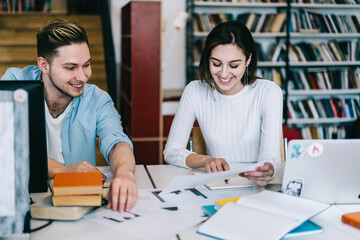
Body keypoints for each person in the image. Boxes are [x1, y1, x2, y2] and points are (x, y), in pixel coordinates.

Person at [1, 19, 137, 212]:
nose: (82, 76)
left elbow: (116, 141)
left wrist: (125, 173)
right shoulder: (14, 84)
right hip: (21, 199)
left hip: (75, 204)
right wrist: (60, 169)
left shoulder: (97, 99)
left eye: (87, 65)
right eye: (71, 67)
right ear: (44, 65)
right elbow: (4, 145)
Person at [163, 21, 283, 186]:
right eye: (216, 64)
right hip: (216, 185)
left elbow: (271, 155)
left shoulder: (268, 92)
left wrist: (268, 168)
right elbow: (171, 151)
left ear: (248, 60)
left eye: (234, 65)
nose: (224, 74)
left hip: (257, 188)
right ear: (208, 59)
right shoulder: (194, 91)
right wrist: (206, 161)